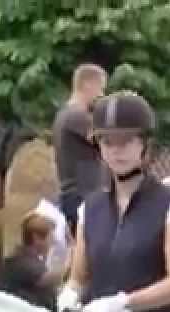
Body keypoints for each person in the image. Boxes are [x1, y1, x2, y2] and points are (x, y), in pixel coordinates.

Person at [56, 92, 170, 312]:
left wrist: (123, 304)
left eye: (127, 141)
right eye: (108, 142)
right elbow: (79, 277)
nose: (117, 151)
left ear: (144, 144)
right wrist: (68, 296)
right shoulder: (89, 209)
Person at [53, 63, 108, 233]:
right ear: (87, 85)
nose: (101, 94)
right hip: (81, 195)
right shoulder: (76, 116)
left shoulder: (67, 115)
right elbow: (107, 140)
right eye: (100, 88)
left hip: (78, 194)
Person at [0, 212, 65, 312]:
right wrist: (70, 267)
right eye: (50, 237)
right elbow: (45, 279)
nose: (53, 242)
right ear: (36, 238)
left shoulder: (29, 259)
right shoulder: (21, 260)